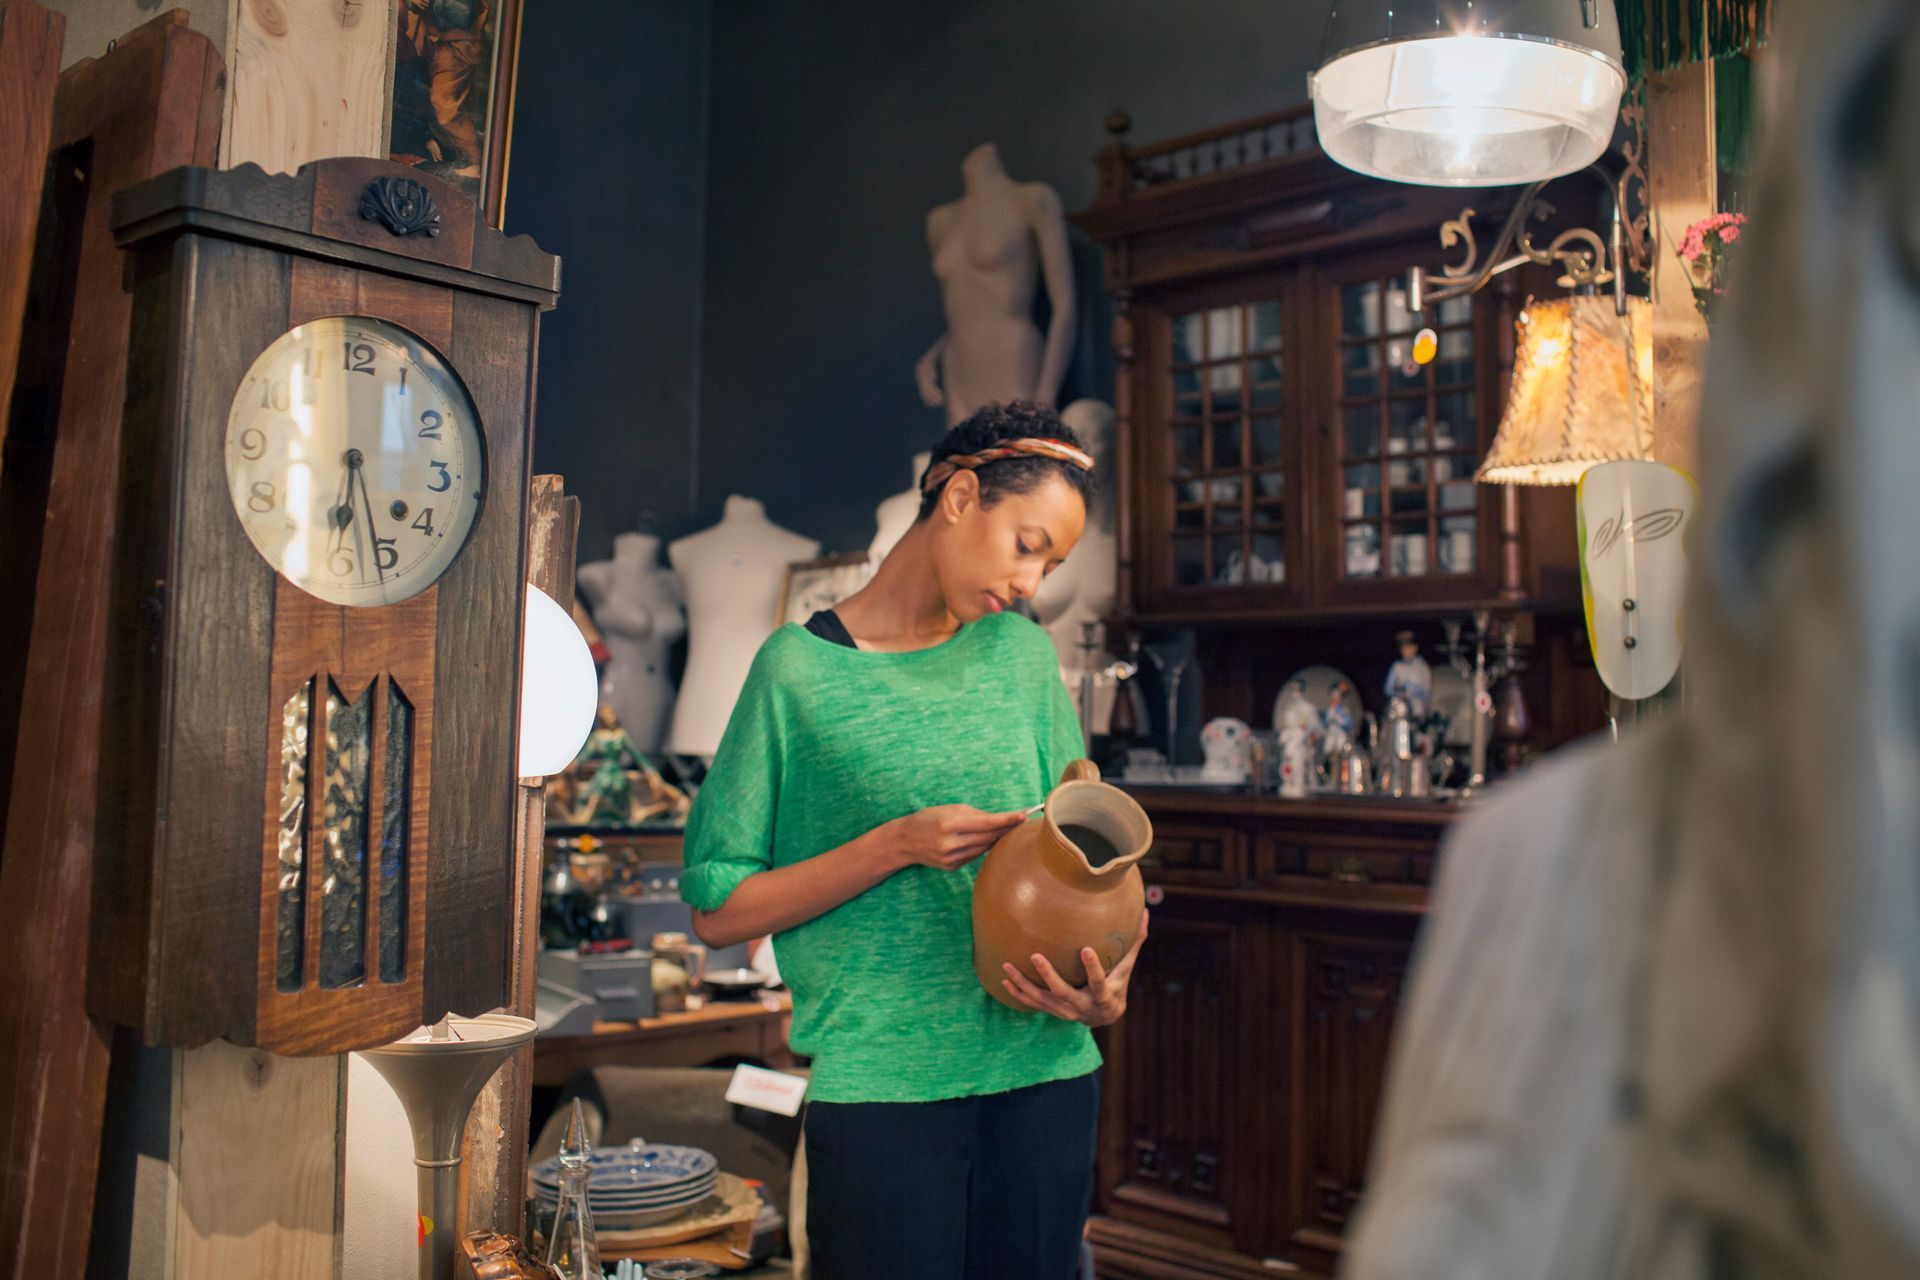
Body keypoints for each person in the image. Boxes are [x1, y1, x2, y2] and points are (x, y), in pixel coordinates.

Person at [680, 401, 1148, 1280]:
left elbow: (1085, 854)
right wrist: (894, 845)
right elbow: (717, 911)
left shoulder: (1022, 657)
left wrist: (1110, 982)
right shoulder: (796, 673)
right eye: (1027, 545)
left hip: (1048, 1077)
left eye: (1051, 564)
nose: (1031, 583)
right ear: (961, 497)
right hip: (885, 1094)